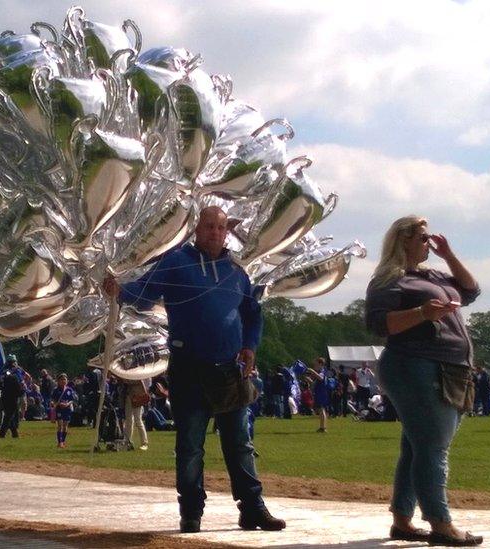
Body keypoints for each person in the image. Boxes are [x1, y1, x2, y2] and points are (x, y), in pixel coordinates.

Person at [103, 205, 285, 534]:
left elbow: (253, 313)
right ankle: (191, 512)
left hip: (230, 369)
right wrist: (120, 290)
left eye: (220, 227)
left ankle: (253, 508)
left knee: (239, 443)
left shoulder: (236, 271)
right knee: (189, 445)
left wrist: (250, 346)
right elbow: (143, 293)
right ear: (196, 230)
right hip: (188, 368)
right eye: (209, 226)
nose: (215, 232)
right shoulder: (175, 263)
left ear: (226, 231)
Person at [364, 215, 483, 546]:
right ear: (403, 240)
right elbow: (377, 324)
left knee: (417, 447)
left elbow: (472, 291)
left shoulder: (433, 274)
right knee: (433, 446)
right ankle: (440, 523)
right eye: (422, 237)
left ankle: (403, 519)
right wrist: (421, 314)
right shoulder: (389, 279)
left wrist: (449, 255)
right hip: (414, 367)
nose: (428, 242)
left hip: (447, 367)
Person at [0, 355, 25, 438]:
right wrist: (22, 391)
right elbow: (18, 385)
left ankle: (15, 433)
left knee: (9, 414)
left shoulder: (2, 371)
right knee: (9, 415)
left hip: (4, 395)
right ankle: (2, 434)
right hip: (12, 397)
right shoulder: (14, 373)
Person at [122, 377, 151, 451]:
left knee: (138, 420)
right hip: (129, 397)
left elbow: (140, 382)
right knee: (128, 420)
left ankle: (144, 443)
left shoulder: (137, 374)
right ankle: (128, 441)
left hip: (137, 397)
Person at [51, 373, 76, 448]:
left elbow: (72, 400)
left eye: (64, 379)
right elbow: (53, 400)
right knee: (60, 425)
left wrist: (67, 404)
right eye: (61, 379)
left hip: (67, 409)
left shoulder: (69, 390)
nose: (63, 381)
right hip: (59, 409)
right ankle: (59, 442)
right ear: (58, 381)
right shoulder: (56, 390)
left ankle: (63, 441)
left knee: (65, 426)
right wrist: (58, 404)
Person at [309, 357, 329, 433]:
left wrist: (312, 371)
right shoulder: (320, 371)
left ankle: (323, 427)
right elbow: (315, 383)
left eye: (316, 364)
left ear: (321, 364)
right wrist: (309, 379)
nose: (315, 365)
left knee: (322, 409)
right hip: (319, 392)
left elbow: (320, 378)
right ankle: (322, 427)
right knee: (320, 410)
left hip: (322, 393)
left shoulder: (322, 371)